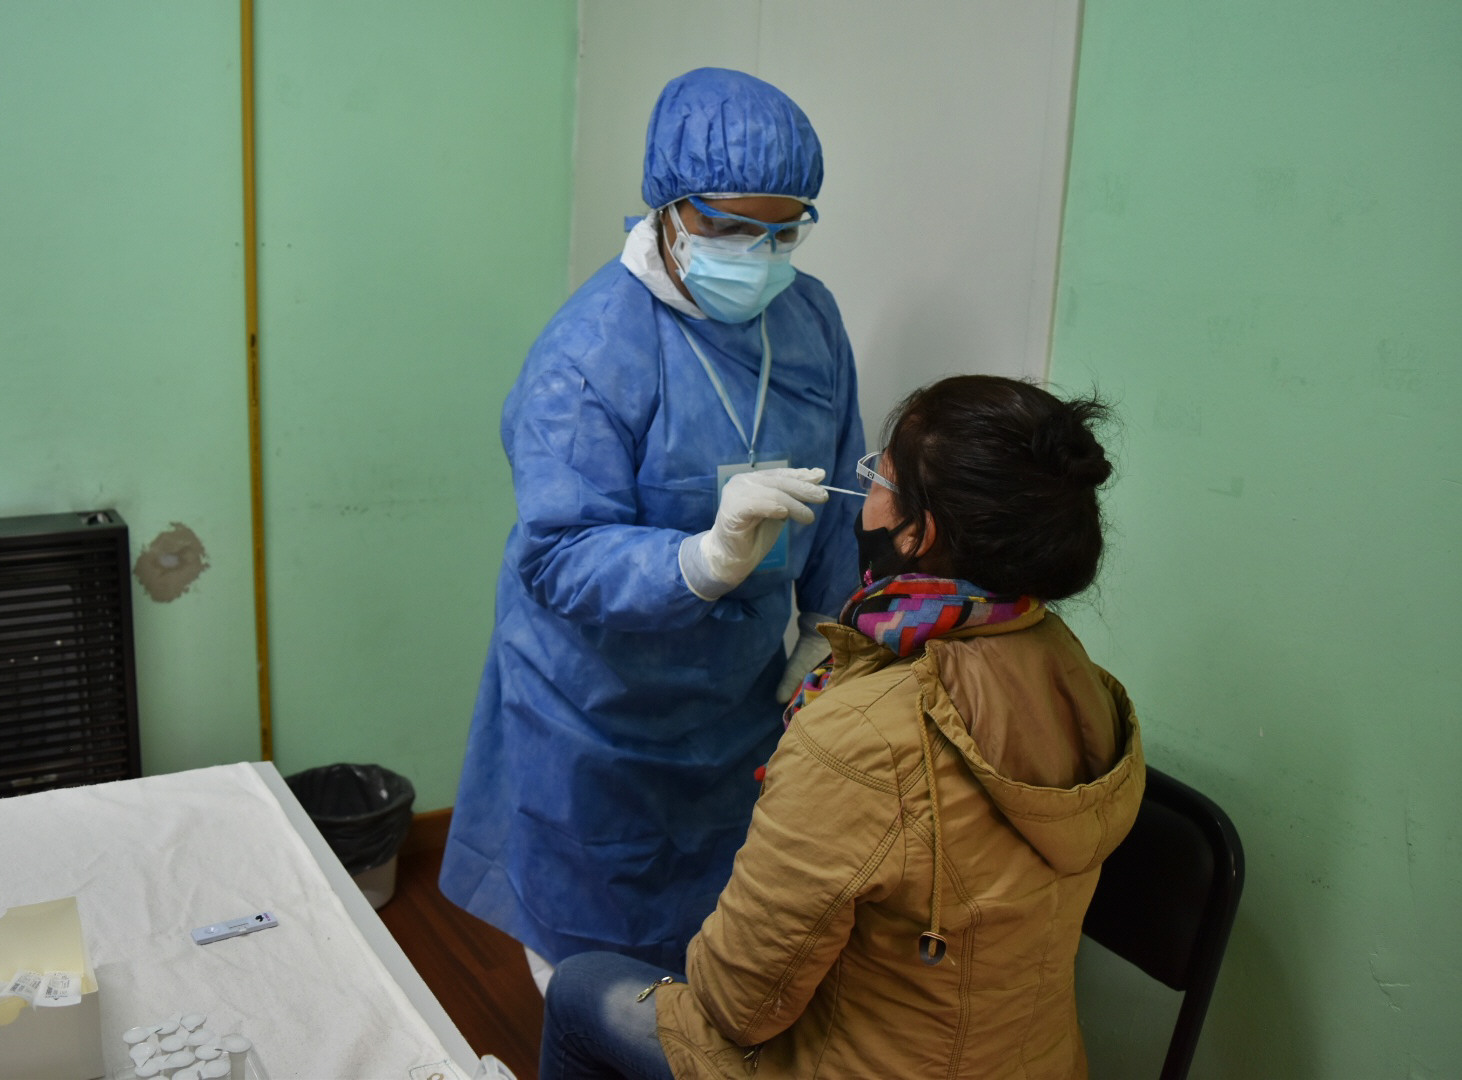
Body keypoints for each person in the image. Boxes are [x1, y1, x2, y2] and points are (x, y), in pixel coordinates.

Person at [537, 375, 1147, 1080]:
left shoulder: (861, 736)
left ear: (919, 532)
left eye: (879, 476)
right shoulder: (1077, 675)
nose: (866, 497)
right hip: (1032, 1061)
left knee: (583, 987)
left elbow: (738, 1006)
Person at [439, 67, 866, 988]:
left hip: (740, 710)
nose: (758, 253)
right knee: (591, 983)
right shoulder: (589, 353)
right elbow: (559, 554)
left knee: (715, 962)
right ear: (667, 210)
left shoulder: (810, 320)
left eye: (782, 229)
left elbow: (841, 496)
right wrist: (703, 559)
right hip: (596, 721)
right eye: (728, 227)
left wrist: (834, 636)